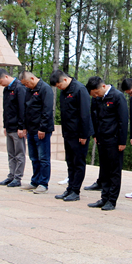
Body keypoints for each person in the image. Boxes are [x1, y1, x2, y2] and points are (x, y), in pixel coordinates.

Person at [49, 69, 93, 202]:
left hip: (79, 134)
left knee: (78, 162)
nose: (58, 88)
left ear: (65, 79)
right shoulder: (64, 91)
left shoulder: (80, 89)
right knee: (70, 162)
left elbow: (85, 114)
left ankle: (76, 190)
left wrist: (84, 134)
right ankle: (70, 188)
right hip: (68, 133)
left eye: (58, 85)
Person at [87, 77, 129, 210]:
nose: (96, 96)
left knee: (114, 171)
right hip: (102, 139)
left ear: (102, 87)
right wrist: (96, 135)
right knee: (104, 170)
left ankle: (112, 200)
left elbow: (123, 120)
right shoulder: (99, 98)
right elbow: (96, 117)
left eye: (96, 93)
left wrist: (122, 141)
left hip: (114, 140)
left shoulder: (117, 96)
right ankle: (104, 197)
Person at [20, 70, 54, 194]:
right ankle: (35, 181)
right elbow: (26, 109)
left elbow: (47, 110)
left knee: (43, 157)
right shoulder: (29, 91)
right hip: (31, 129)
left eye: (26, 83)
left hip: (41, 130)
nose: (26, 86)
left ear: (32, 79)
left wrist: (43, 128)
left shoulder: (45, 89)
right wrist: (24, 126)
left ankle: (43, 183)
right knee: (34, 157)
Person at [0, 68, 27, 188]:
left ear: (6, 77)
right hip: (9, 127)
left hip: (18, 128)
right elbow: (6, 110)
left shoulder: (19, 88)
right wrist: (5, 126)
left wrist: (22, 127)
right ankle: (11, 175)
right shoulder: (7, 90)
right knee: (11, 153)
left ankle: (18, 177)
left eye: (0, 81)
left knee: (19, 153)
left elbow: (22, 109)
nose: (0, 84)